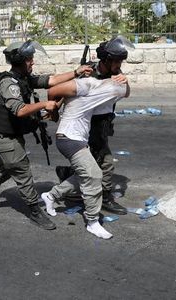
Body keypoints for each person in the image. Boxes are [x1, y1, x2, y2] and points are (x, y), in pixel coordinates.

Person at [0, 40, 92, 230]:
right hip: (5, 138)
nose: (32, 62)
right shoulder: (8, 84)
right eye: (29, 59)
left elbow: (50, 81)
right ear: (19, 61)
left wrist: (77, 72)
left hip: (12, 135)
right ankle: (35, 210)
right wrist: (44, 104)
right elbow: (19, 110)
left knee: (7, 168)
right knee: (22, 171)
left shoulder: (23, 78)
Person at [41, 67, 131, 239]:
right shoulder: (87, 85)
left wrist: (124, 79)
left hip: (78, 139)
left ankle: (51, 195)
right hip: (68, 138)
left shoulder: (97, 92)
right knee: (94, 174)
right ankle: (92, 222)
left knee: (84, 174)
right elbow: (52, 90)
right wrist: (53, 111)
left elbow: (125, 92)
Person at [55, 36, 134, 215]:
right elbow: (67, 90)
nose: (120, 64)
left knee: (95, 160)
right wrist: (55, 107)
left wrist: (125, 80)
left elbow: (126, 93)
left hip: (103, 124)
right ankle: (104, 197)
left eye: (121, 60)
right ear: (106, 59)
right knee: (104, 163)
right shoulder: (88, 72)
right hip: (85, 124)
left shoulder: (116, 75)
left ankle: (67, 173)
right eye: (117, 61)